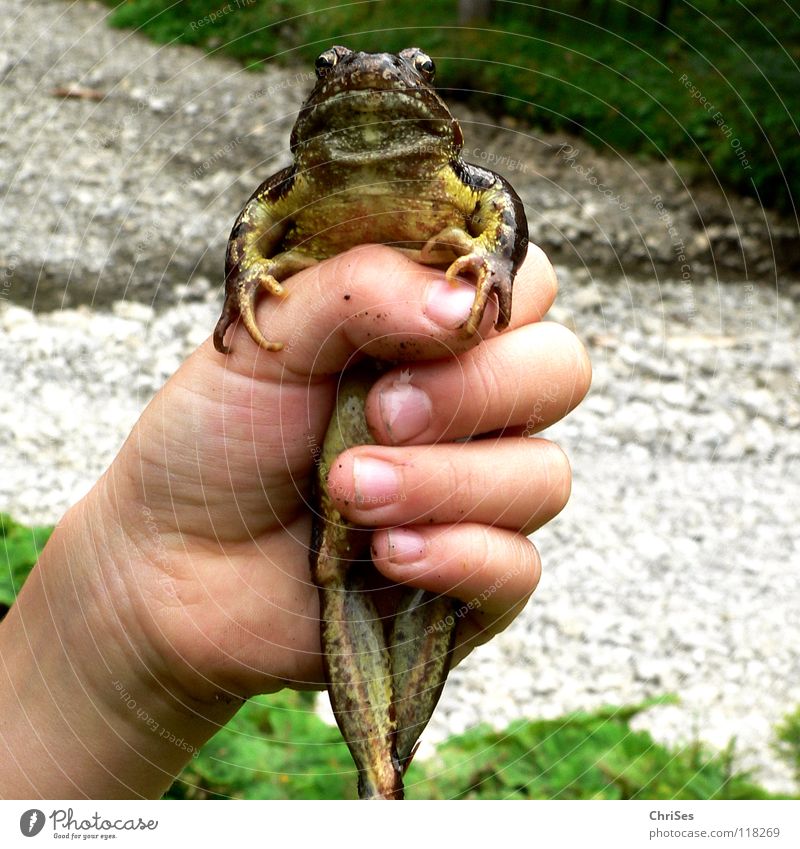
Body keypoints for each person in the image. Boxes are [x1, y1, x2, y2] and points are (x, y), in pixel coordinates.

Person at [0, 244, 591, 798]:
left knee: (419, 576)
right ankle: (383, 781)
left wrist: (135, 612)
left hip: (387, 465)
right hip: (331, 481)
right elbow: (261, 224)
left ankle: (387, 779)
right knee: (379, 566)